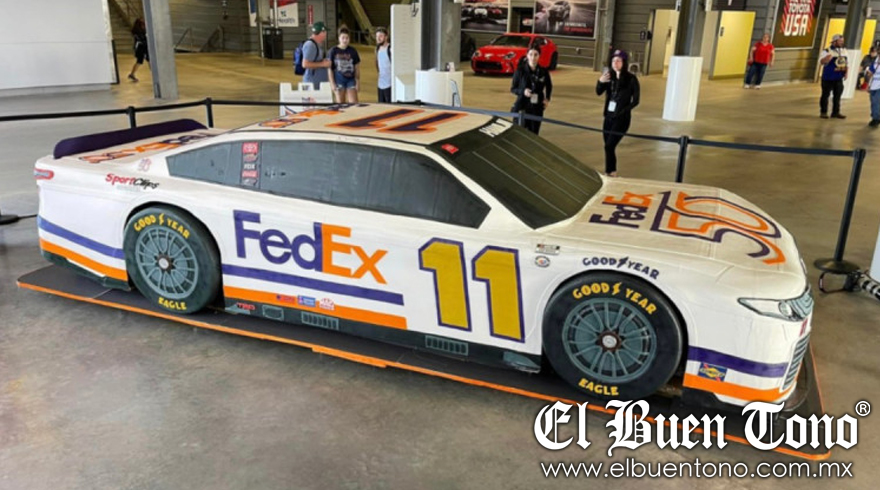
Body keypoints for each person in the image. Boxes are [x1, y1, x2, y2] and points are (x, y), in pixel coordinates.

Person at [596, 49, 640, 177]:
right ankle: (610, 171)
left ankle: (611, 172)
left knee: (610, 145)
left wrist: (623, 110)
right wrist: (600, 82)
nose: (615, 63)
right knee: (607, 146)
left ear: (624, 63)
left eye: (619, 61)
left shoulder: (631, 79)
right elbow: (598, 92)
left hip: (622, 119)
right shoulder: (609, 77)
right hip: (608, 117)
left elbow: (636, 100)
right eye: (614, 60)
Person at [510, 45, 552, 135]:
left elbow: (549, 86)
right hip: (522, 106)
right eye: (531, 54)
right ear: (527, 55)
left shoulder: (543, 72)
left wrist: (547, 98)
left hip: (537, 107)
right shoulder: (520, 71)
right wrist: (523, 91)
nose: (533, 57)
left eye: (536, 55)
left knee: (534, 133)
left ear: (539, 56)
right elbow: (513, 89)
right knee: (519, 133)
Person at [327, 27, 360, 103]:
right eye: (343, 38)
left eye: (347, 38)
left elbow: (357, 67)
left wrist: (357, 82)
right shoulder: (333, 51)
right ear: (339, 38)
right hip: (339, 80)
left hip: (350, 80)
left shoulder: (353, 51)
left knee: (354, 102)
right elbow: (330, 69)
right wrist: (332, 83)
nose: (345, 40)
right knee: (340, 103)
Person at [819, 34, 848, 119]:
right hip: (828, 78)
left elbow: (846, 63)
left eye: (842, 41)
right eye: (840, 41)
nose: (842, 42)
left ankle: (835, 112)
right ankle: (823, 112)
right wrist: (827, 58)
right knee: (825, 95)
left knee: (837, 96)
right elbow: (821, 62)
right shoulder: (826, 51)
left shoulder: (844, 51)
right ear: (834, 41)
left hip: (838, 77)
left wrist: (846, 72)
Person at [302, 21, 330, 89]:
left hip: (317, 82)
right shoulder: (310, 45)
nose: (326, 34)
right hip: (312, 84)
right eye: (325, 32)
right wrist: (323, 64)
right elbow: (305, 64)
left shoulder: (316, 44)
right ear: (321, 33)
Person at [375, 27, 392, 103]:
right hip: (380, 84)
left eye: (381, 36)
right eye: (377, 36)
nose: (378, 38)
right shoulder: (377, 49)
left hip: (389, 84)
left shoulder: (390, 49)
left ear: (386, 37)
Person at [866, 54, 880, 127]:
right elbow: (870, 73)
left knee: (876, 102)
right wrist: (868, 85)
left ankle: (876, 119)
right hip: (873, 85)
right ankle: (875, 116)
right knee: (873, 102)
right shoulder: (875, 61)